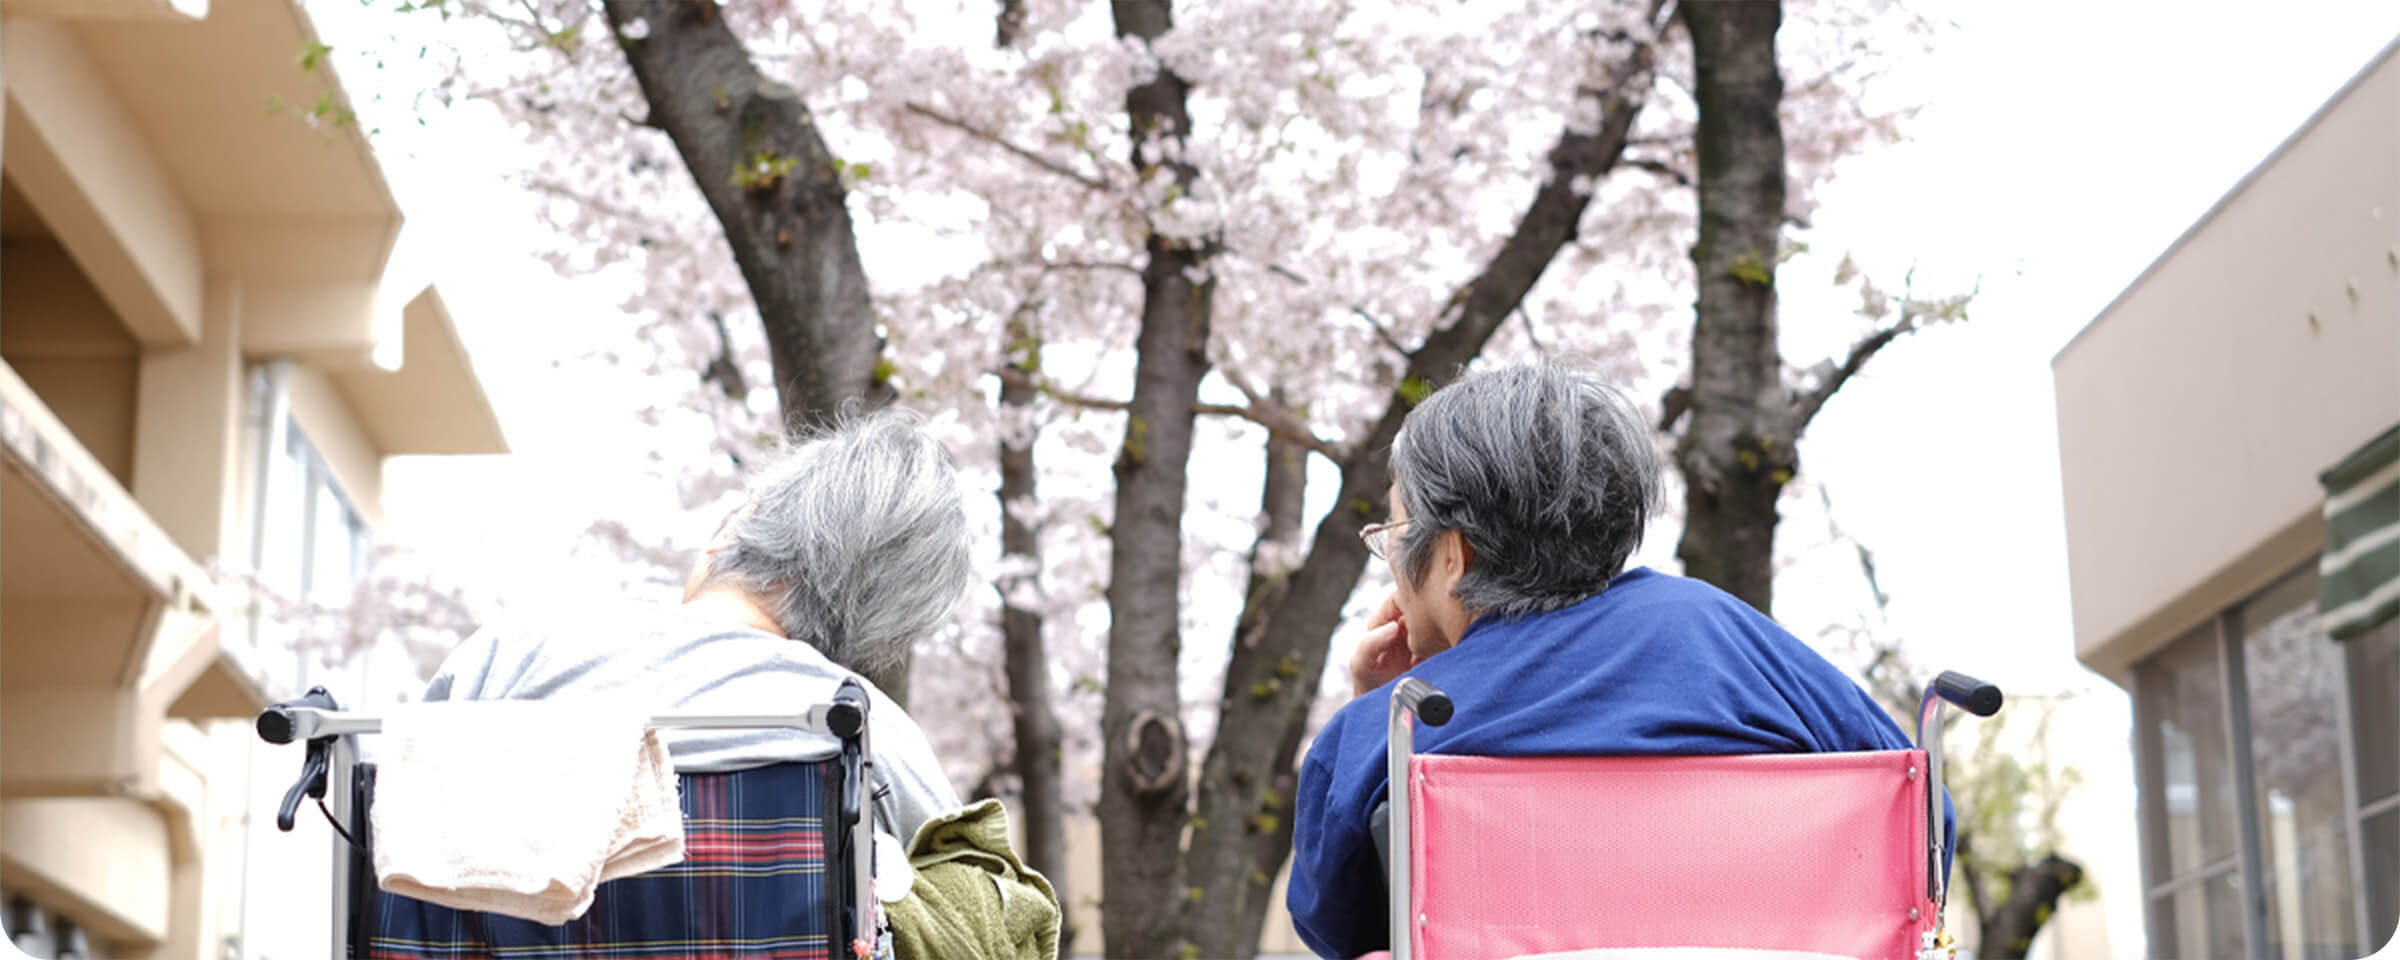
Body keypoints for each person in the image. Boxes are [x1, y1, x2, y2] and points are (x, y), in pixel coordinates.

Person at [1284, 365, 1943, 960]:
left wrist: (1374, 707)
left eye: (1396, 533)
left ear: (1455, 554)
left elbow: (1336, 926)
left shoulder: (1390, 725)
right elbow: (1922, 821)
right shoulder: (1732, 638)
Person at [421, 410, 973, 845]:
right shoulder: (864, 733)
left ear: (741, 525)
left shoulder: (515, 652)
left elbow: (395, 807)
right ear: (881, 632)